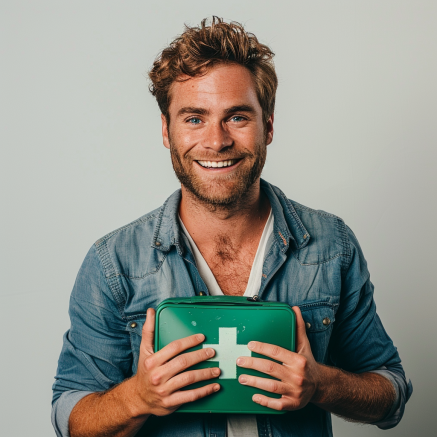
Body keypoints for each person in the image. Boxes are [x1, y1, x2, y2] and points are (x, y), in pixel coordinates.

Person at [52, 17, 412, 437]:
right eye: (194, 118)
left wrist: (321, 384)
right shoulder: (112, 263)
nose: (217, 140)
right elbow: (71, 417)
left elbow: (390, 394)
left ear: (269, 127)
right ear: (166, 132)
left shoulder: (331, 246)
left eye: (237, 117)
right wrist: (137, 397)